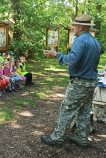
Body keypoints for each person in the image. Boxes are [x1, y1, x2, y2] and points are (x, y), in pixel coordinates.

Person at [41, 14, 101, 148]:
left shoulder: (80, 40)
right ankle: (82, 138)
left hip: (80, 82)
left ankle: (57, 139)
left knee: (67, 110)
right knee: (84, 111)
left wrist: (56, 54)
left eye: (74, 25)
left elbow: (73, 59)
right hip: (91, 81)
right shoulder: (94, 41)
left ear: (80, 26)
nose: (73, 28)